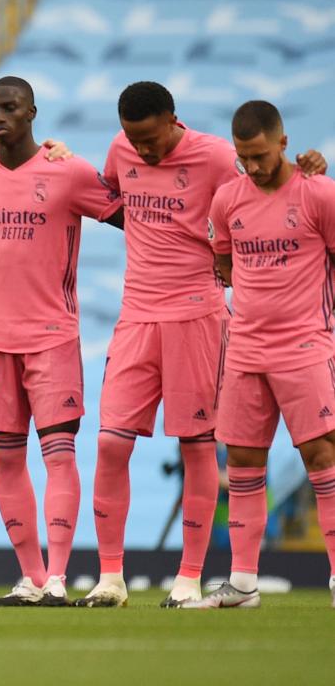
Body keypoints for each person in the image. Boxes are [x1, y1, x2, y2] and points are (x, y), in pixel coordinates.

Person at [80, 83, 325, 607]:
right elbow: (106, 195)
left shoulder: (217, 156)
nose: (143, 151)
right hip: (136, 314)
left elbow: (264, 194)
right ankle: (110, 578)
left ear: (174, 119)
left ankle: (188, 578)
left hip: (198, 316)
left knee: (197, 446)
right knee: (109, 443)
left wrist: (311, 171)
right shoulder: (121, 150)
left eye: (152, 140)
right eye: (133, 140)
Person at [0, 76, 123, 607]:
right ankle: (33, 578)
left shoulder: (69, 173)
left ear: (32, 111)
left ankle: (59, 577)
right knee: (6, 459)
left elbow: (131, 215)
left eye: (9, 107)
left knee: (59, 456)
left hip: (52, 338)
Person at [185, 100, 335, 610]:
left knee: (321, 455)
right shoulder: (227, 200)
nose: (252, 166)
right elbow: (222, 258)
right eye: (244, 157)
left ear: (284, 143)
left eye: (261, 155)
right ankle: (244, 583)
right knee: (246, 461)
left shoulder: (319, 195)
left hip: (306, 343)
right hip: (246, 347)